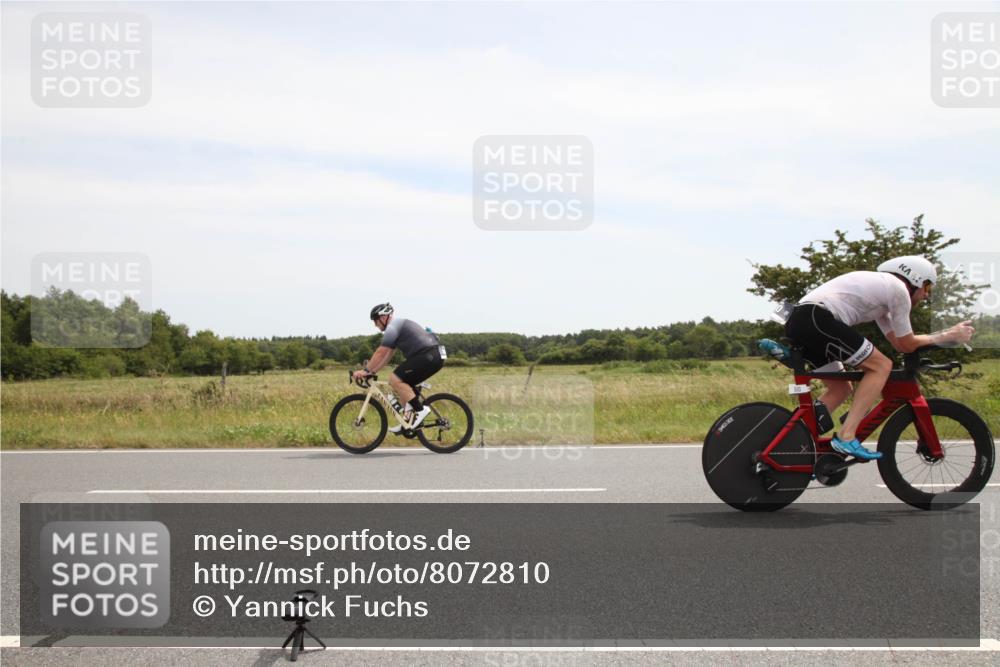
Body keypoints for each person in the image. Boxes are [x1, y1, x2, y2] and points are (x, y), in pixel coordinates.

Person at [775, 256, 974, 460]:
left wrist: (947, 334)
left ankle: (793, 443)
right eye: (927, 288)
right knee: (880, 366)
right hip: (818, 318)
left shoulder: (882, 300)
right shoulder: (898, 289)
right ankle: (846, 436)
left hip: (802, 321)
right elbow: (907, 343)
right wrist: (948, 336)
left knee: (841, 389)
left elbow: (899, 343)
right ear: (915, 279)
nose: (926, 296)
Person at [352, 303, 445, 432]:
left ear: (383, 317)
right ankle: (407, 421)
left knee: (395, 379)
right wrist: (372, 371)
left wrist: (365, 370)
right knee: (403, 384)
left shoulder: (393, 327)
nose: (375, 324)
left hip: (428, 356)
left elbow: (381, 352)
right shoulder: (397, 326)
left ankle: (420, 410)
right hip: (433, 355)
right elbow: (387, 355)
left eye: (375, 320)